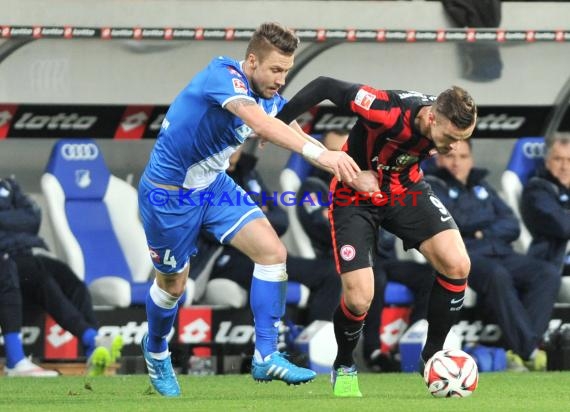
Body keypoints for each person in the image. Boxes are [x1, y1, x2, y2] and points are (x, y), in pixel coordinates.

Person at [137, 23, 360, 397]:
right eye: (275, 70)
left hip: (213, 188)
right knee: (173, 284)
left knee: (273, 253)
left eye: (287, 71)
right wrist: (323, 156)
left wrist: (335, 160)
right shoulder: (222, 76)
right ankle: (156, 351)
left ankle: (266, 354)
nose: (281, 79)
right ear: (252, 61)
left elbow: (284, 126)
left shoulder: (267, 93)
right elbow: (259, 123)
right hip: (169, 195)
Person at [277, 77, 476, 397]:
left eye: (462, 139)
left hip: (406, 192)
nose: (453, 146)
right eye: (450, 137)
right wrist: (277, 123)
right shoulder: (385, 108)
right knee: (359, 297)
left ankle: (432, 356)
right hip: (354, 197)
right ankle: (343, 364)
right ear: (430, 118)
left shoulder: (440, 119)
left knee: (457, 264)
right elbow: (325, 86)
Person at [296, 129, 434, 372]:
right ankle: (373, 351)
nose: (342, 159)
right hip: (344, 259)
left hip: (383, 257)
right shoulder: (313, 186)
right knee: (374, 277)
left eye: (346, 153)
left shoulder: (373, 180)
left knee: (430, 276)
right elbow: (320, 224)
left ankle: (414, 346)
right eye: (334, 152)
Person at [426, 140, 560, 371]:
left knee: (546, 273)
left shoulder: (483, 186)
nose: (457, 162)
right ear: (439, 158)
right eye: (450, 156)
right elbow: (450, 223)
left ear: (472, 160)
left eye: (464, 157)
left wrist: (481, 230)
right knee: (497, 275)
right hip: (464, 256)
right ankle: (529, 349)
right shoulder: (432, 186)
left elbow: (512, 225)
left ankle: (520, 349)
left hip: (501, 251)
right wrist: (483, 226)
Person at [0, 176, 121, 377]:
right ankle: (90, 337)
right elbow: (26, 219)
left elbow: (34, 216)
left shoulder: (9, 184)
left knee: (73, 282)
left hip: (32, 252)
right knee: (43, 281)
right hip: (8, 256)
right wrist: (16, 217)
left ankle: (93, 351)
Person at [209, 147, 342, 325]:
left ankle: (317, 343)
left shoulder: (249, 172)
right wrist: (258, 214)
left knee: (330, 272)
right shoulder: (206, 177)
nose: (233, 149)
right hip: (228, 257)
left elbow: (281, 220)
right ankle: (271, 342)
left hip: (266, 253)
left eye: (237, 143)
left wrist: (246, 220)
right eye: (226, 144)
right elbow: (210, 229)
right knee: (268, 274)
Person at [521, 134, 570, 275]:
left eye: (569, 160)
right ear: (547, 162)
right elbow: (563, 226)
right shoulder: (537, 189)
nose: (564, 167)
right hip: (555, 260)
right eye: (558, 159)